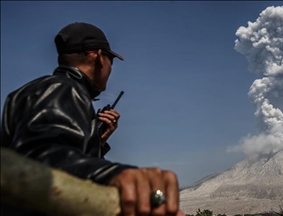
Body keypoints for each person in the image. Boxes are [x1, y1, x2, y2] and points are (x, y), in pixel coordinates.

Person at [1, 22, 184, 216]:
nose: (110, 68)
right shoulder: (64, 89)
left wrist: (98, 140)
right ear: (98, 56)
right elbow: (42, 159)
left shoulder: (34, 91)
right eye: (111, 60)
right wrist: (115, 174)